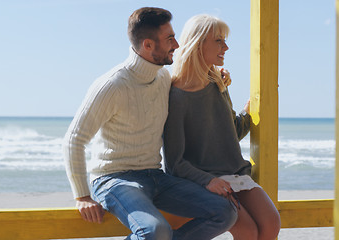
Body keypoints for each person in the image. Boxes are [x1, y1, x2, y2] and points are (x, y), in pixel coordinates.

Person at [63, 7, 238, 240]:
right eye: (169, 39)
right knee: (155, 231)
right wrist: (82, 197)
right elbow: (74, 139)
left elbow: (190, 80)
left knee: (225, 212)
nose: (176, 44)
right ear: (147, 45)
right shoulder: (111, 85)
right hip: (114, 179)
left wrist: (217, 76)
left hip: (156, 176)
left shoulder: (163, 78)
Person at [163, 14, 281, 240]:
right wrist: (208, 181)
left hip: (236, 172)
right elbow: (174, 163)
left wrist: (250, 112)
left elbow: (232, 132)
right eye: (219, 40)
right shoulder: (175, 96)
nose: (226, 47)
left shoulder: (218, 82)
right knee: (248, 232)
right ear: (198, 43)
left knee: (271, 224)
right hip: (204, 180)